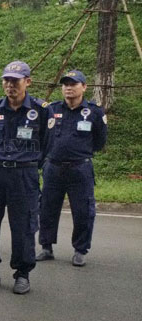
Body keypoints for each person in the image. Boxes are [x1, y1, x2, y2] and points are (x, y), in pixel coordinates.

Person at [0, 61, 50, 295]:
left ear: (27, 82)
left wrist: (26, 163)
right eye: (6, 80)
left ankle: (22, 273)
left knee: (24, 225)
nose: (10, 85)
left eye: (15, 81)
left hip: (23, 174)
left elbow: (47, 145)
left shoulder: (41, 110)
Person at [37, 69, 108, 267]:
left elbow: (100, 141)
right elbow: (42, 137)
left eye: (73, 84)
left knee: (83, 210)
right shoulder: (51, 109)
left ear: (84, 87)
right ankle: (46, 247)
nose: (68, 87)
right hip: (53, 167)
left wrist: (80, 153)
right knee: (47, 208)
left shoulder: (94, 112)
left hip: (80, 169)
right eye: (65, 84)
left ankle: (80, 250)